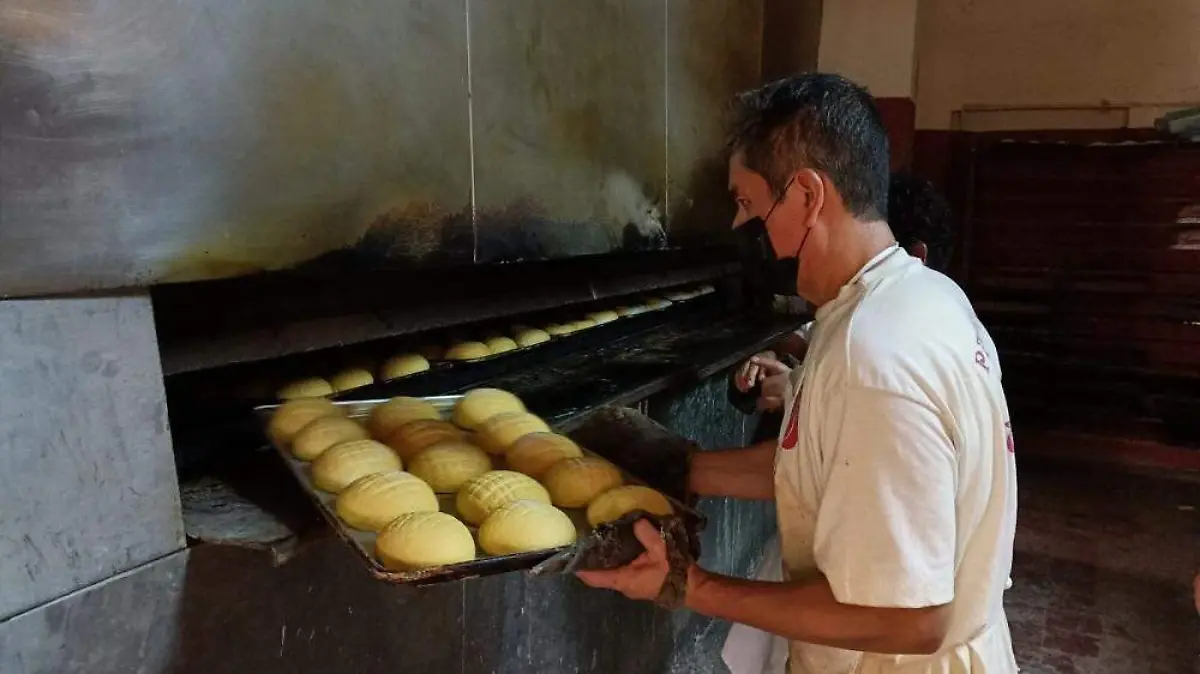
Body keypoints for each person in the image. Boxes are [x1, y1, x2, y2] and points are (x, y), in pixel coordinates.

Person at [577, 73, 1018, 673]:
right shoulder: (918, 298)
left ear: (808, 196)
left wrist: (692, 585)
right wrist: (686, 468)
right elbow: (836, 463)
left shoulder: (876, 356)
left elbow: (910, 619)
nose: (740, 228)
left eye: (747, 204)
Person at [732, 171, 956, 416]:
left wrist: (802, 392)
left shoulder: (901, 339)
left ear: (915, 256)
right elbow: (809, 337)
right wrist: (776, 353)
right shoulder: (919, 305)